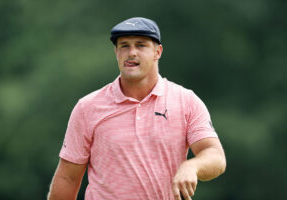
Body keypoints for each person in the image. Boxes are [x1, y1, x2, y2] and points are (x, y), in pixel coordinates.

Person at [47, 17, 226, 200]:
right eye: (124, 46)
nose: (131, 52)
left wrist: (191, 167)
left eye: (141, 45)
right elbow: (68, 178)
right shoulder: (88, 107)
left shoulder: (186, 101)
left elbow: (215, 156)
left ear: (158, 52)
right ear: (116, 52)